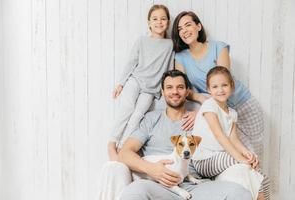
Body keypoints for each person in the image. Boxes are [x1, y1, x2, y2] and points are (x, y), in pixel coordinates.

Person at [116, 69, 252, 200]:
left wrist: (199, 114)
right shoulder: (151, 119)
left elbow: (224, 132)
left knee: (240, 194)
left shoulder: (203, 117)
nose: (175, 91)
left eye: (180, 87)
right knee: (134, 192)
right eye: (169, 87)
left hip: (194, 185)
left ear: (187, 91)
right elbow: (124, 153)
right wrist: (151, 169)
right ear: (163, 92)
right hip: (158, 185)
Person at [171, 11, 265, 162]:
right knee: (238, 158)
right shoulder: (181, 57)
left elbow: (223, 80)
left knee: (255, 156)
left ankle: (259, 184)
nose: (184, 30)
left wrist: (204, 108)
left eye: (188, 25)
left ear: (199, 26)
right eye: (180, 29)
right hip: (220, 111)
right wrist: (202, 102)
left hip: (243, 104)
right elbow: (184, 89)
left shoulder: (219, 47)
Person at [191, 66, 270, 200]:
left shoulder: (232, 112)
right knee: (247, 165)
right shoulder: (209, 106)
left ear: (231, 86)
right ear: (209, 89)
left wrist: (247, 154)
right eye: (215, 87)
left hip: (220, 157)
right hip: (204, 160)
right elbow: (219, 135)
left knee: (262, 177)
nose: (220, 90)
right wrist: (240, 159)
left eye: (224, 85)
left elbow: (234, 139)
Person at [108, 4, 174, 161]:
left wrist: (166, 90)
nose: (159, 22)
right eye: (155, 19)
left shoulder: (170, 44)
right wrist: (121, 83)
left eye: (163, 18)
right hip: (136, 80)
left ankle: (123, 146)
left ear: (168, 22)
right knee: (128, 108)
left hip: (151, 89)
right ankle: (113, 140)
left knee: (138, 115)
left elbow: (169, 68)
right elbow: (131, 62)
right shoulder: (142, 41)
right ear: (149, 22)